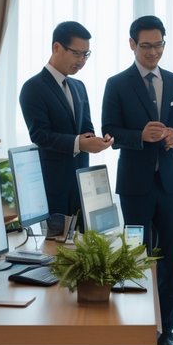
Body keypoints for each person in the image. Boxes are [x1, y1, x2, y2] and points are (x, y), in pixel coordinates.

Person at [102, 16, 173, 345]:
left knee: (172, 260)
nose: (153, 52)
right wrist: (138, 136)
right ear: (131, 45)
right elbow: (109, 130)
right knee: (136, 259)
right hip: (135, 185)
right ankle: (136, 327)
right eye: (146, 46)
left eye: (158, 45)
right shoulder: (116, 84)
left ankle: (165, 332)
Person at [19, 21, 112, 222]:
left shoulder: (79, 86)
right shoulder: (33, 87)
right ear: (56, 47)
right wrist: (79, 143)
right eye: (76, 53)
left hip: (82, 185)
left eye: (86, 54)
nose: (81, 60)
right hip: (53, 185)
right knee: (56, 248)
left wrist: (96, 141)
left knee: (82, 248)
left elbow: (86, 127)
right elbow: (40, 135)